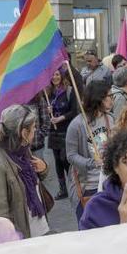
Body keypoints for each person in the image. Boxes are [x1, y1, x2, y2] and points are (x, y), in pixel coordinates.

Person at [0, 105, 52, 238]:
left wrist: (44, 168)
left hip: (40, 226)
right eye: (33, 128)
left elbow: (34, 182)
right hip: (23, 237)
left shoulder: (23, 150)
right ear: (24, 134)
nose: (35, 131)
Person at [67, 80, 115, 221]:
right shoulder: (77, 125)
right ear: (99, 98)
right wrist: (92, 162)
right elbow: (71, 155)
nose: (112, 99)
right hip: (88, 186)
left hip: (108, 182)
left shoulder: (111, 119)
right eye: (109, 96)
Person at [45, 67, 78, 200]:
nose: (55, 77)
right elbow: (47, 117)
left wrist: (61, 118)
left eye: (57, 74)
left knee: (66, 159)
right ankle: (62, 188)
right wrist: (48, 111)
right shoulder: (48, 93)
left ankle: (74, 185)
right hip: (54, 133)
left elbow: (74, 111)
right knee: (58, 161)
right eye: (53, 75)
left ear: (62, 76)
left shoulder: (69, 91)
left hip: (67, 130)